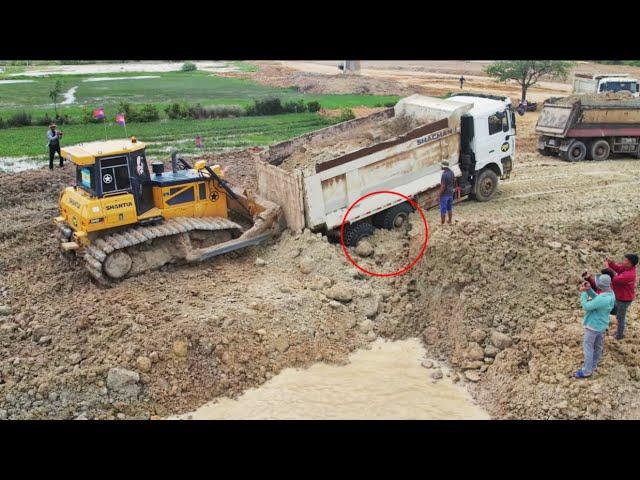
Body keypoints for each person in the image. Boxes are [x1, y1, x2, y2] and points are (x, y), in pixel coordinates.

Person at [575, 274, 615, 379]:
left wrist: (584, 293)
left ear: (600, 286)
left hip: (593, 326)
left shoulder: (603, 298)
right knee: (598, 347)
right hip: (602, 325)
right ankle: (593, 365)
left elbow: (587, 307)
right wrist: (589, 290)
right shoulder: (611, 294)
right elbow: (598, 300)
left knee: (588, 348)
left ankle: (587, 371)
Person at [605, 254, 638, 340]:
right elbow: (618, 268)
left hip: (624, 299)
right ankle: (620, 331)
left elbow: (615, 279)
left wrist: (607, 269)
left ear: (630, 263)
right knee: (619, 315)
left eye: (625, 260)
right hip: (620, 296)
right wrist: (611, 263)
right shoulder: (626, 268)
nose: (623, 261)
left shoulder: (630, 274)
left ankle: (619, 336)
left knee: (620, 318)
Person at [439, 160, 455, 225]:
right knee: (449, 208)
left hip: (445, 194)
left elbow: (443, 186)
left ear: (443, 166)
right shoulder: (452, 172)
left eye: (441, 166)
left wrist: (439, 194)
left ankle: (442, 224)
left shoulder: (444, 174)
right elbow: (454, 181)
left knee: (443, 209)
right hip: (450, 193)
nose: (440, 167)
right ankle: (450, 221)